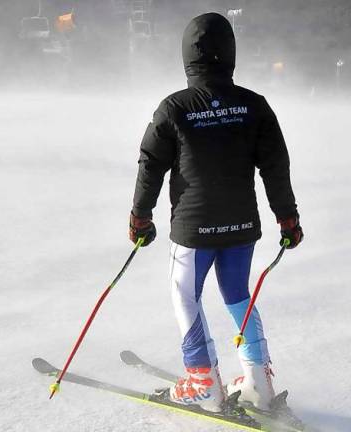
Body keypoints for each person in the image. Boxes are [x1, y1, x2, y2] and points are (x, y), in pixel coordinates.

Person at [128, 12, 303, 413]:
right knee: (239, 295)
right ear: (231, 53)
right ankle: (258, 381)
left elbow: (150, 163)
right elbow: (276, 165)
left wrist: (140, 215)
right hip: (242, 226)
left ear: (187, 56)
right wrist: (287, 218)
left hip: (194, 230)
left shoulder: (175, 107)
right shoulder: (253, 106)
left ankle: (203, 381)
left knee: (184, 294)